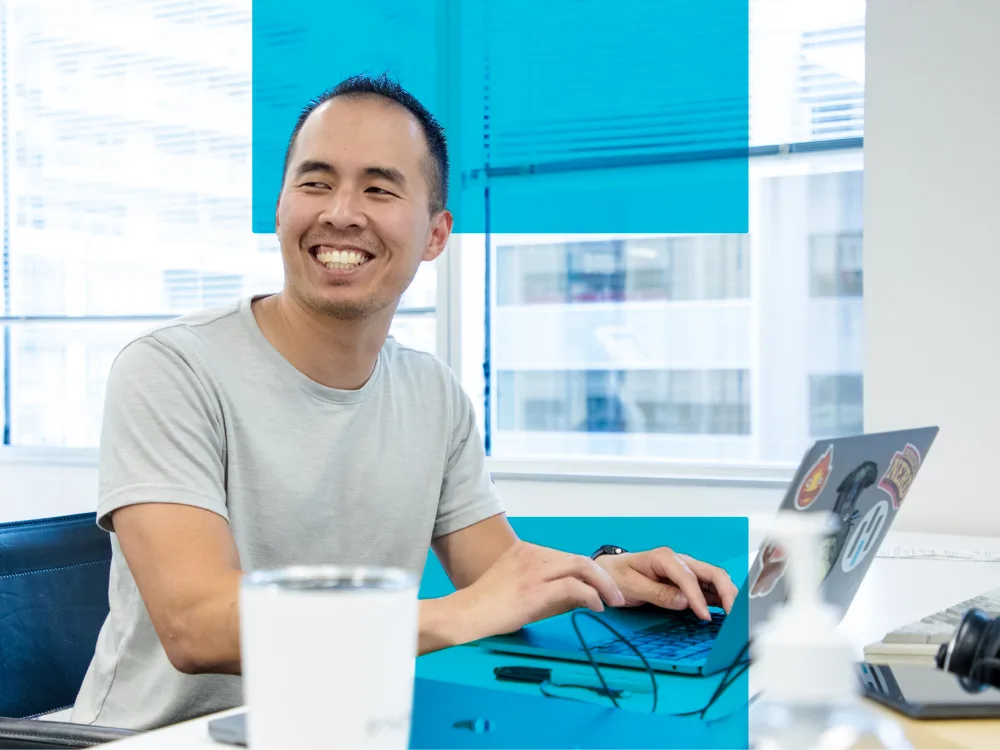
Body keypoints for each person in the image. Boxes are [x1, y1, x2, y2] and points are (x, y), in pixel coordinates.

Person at [70, 73, 739, 731]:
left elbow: (498, 576)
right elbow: (195, 624)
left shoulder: (432, 394)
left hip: (346, 725)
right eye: (315, 182)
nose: (340, 212)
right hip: (163, 738)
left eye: (379, 188)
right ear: (279, 209)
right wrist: (456, 614)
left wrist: (608, 578)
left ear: (435, 235)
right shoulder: (171, 370)